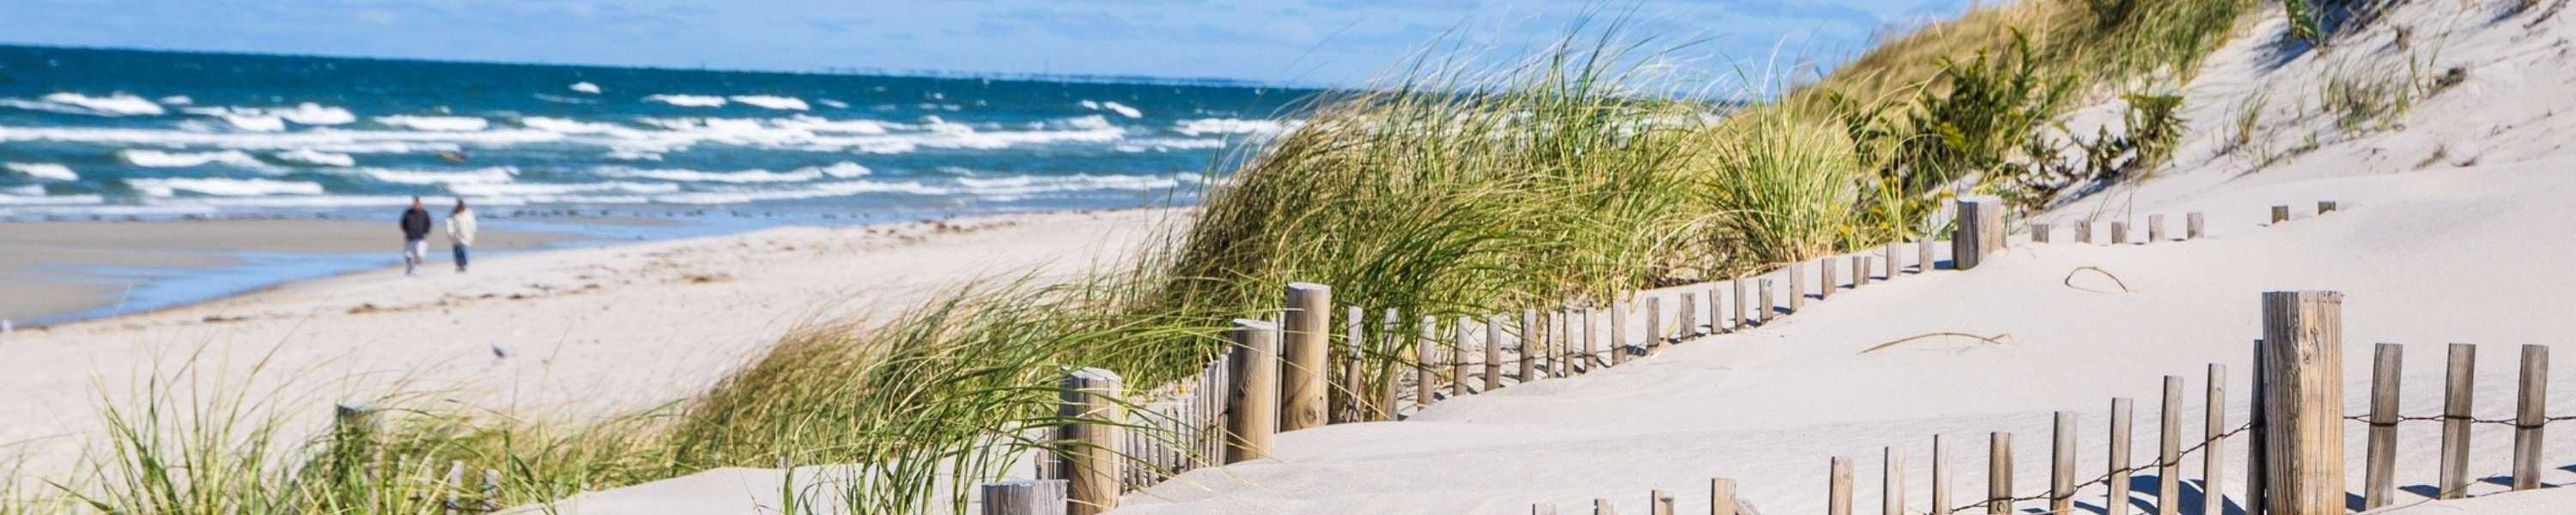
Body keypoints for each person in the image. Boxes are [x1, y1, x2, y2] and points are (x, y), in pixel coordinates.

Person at [400, 197, 432, 276]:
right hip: (410, 237)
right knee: (409, 256)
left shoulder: (424, 213)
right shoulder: (408, 212)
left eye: (418, 204)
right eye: (415, 204)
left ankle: (417, 269)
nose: (417, 205)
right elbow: (403, 223)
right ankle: (409, 268)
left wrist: (426, 231)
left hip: (420, 237)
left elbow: (428, 223)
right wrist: (406, 230)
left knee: (420, 255)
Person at [446, 199, 477, 273]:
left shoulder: (468, 213)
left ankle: (464, 264)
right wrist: (450, 231)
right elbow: (449, 223)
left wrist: (473, 231)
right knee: (456, 250)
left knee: (463, 249)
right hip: (455, 235)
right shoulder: (452, 213)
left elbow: (472, 223)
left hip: (465, 235)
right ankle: (459, 265)